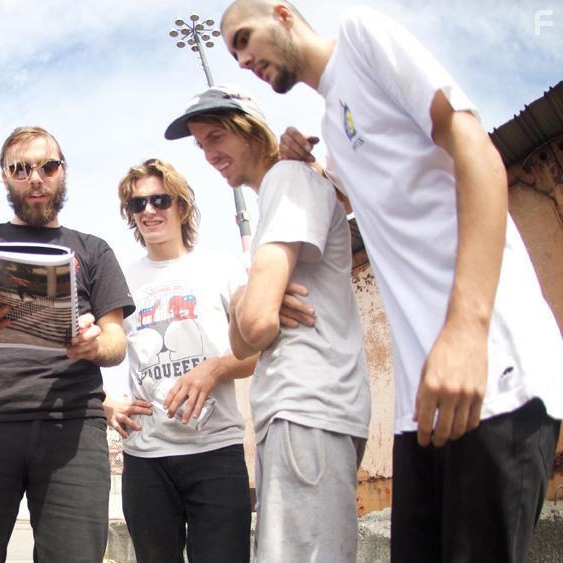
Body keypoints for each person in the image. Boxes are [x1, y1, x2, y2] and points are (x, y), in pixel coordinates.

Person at [220, 2, 563, 561]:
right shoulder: (332, 123)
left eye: (244, 38)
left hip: (492, 372)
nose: (242, 58)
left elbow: (475, 147)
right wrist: (310, 164)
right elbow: (381, 201)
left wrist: (467, 330)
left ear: (282, 14)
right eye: (232, 52)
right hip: (421, 407)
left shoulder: (363, 37)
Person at [166, 85, 371, 560]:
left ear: (252, 131)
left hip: (306, 406)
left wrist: (246, 303)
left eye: (217, 136)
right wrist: (247, 302)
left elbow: (255, 327)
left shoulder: (287, 180)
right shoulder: (285, 190)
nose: (210, 154)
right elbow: (245, 344)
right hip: (304, 411)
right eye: (201, 145)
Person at [0, 126, 135, 562]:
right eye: (20, 169)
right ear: (4, 176)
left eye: (48, 166)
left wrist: (95, 345)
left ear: (63, 172)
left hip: (72, 426)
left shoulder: (93, 250)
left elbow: (116, 340)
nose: (35, 178)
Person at [109, 158, 255, 562]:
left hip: (215, 450)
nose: (149, 211)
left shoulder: (223, 268)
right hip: (145, 458)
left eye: (160, 199)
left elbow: (259, 351)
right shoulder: (120, 280)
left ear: (182, 206)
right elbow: (99, 345)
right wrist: (106, 401)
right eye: (138, 205)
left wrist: (216, 368)